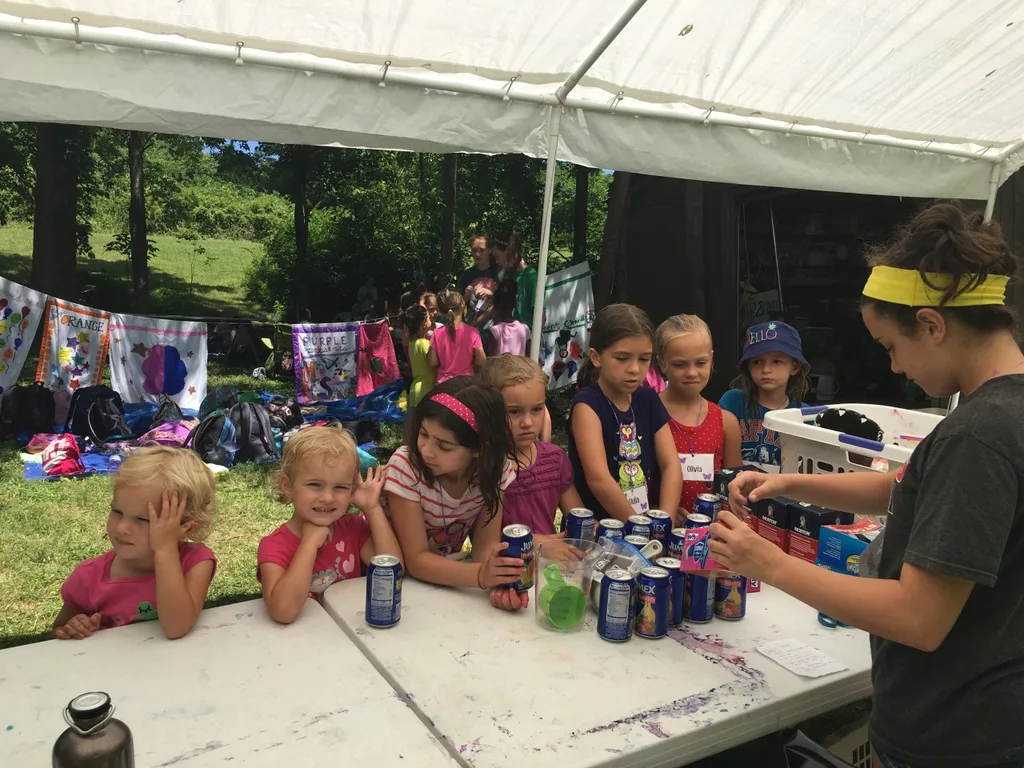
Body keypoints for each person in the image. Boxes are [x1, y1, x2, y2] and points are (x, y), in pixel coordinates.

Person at [711, 202, 1024, 768]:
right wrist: (785, 482)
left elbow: (918, 618)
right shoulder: (998, 413)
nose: (897, 368)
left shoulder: (978, 435)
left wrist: (769, 564)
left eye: (891, 348)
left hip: (952, 737)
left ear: (931, 324)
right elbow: (902, 488)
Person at [384, 378, 526, 611]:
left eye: (444, 446)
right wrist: (481, 575)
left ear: (480, 449)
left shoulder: (493, 470)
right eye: (423, 433)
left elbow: (485, 545)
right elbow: (416, 560)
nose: (426, 450)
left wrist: (501, 583)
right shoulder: (406, 467)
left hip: (442, 586)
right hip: (392, 586)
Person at [53, 446, 217, 640]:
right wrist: (75, 627)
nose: (122, 527)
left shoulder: (195, 563)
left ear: (187, 528)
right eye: (117, 512)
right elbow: (58, 630)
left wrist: (165, 549)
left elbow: (176, 627)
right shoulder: (88, 577)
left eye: (142, 519)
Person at [258, 426, 401, 624]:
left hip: (352, 636)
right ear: (288, 486)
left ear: (351, 490)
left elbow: (393, 571)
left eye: (340, 487)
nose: (327, 497)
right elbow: (283, 612)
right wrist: (308, 544)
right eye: (315, 485)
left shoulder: (353, 528)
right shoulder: (274, 546)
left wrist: (372, 509)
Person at [568, 304, 683, 524]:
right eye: (622, 358)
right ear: (596, 357)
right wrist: (639, 527)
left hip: (647, 526)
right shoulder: (587, 404)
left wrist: (663, 521)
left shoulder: (648, 399)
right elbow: (599, 479)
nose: (634, 368)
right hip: (601, 532)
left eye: (644, 359)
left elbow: (671, 464)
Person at [480, 355, 583, 539]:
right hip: (505, 564)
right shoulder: (486, 465)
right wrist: (542, 544)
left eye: (537, 409)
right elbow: (485, 542)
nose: (527, 422)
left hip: (553, 565)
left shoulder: (555, 459)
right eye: (514, 411)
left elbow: (579, 518)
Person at [656, 314, 742, 517]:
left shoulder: (726, 421)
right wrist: (659, 513)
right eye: (680, 365)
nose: (692, 372)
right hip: (658, 528)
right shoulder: (648, 413)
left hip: (710, 532)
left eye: (700, 363)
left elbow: (733, 486)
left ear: (711, 358)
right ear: (661, 363)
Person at [717, 320, 809, 470]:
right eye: (757, 361)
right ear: (748, 366)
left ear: (795, 367)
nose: (766, 369)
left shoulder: (805, 416)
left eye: (777, 361)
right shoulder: (732, 402)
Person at [428, 289, 485, 382]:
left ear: (441, 311)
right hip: (466, 384)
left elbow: (432, 362)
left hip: (444, 384)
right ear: (463, 305)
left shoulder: (437, 333)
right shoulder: (473, 332)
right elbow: (481, 360)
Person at [490, 229, 537, 326]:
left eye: (498, 256)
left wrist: (529, 339)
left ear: (508, 252)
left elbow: (541, 317)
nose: (496, 262)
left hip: (525, 338)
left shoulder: (531, 277)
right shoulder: (507, 275)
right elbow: (499, 307)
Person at [456, 234, 500, 326]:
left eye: (482, 250)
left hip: (494, 329)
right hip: (471, 327)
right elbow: (456, 306)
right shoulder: (467, 274)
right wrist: (466, 296)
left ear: (489, 251)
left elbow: (506, 302)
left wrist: (492, 293)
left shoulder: (499, 273)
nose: (477, 254)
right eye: (474, 250)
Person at [485, 279, 531, 357]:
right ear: (515, 304)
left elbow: (490, 361)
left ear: (496, 306)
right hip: (521, 369)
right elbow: (528, 356)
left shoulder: (495, 332)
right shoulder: (525, 329)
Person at [404, 304, 435, 409]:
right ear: (424, 323)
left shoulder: (412, 343)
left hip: (415, 389)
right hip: (425, 389)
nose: (431, 317)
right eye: (428, 317)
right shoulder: (424, 344)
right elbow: (434, 363)